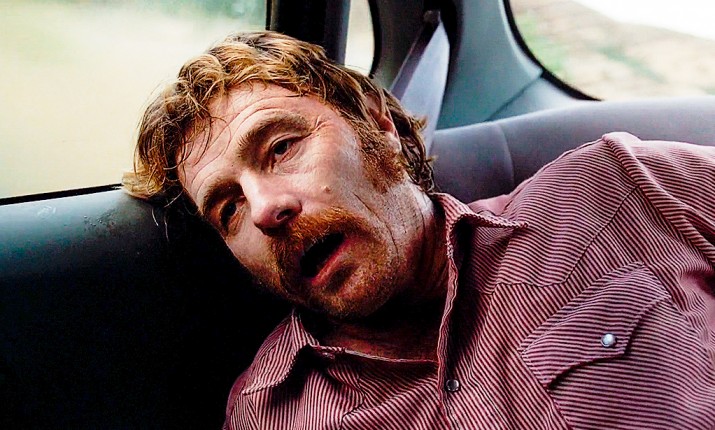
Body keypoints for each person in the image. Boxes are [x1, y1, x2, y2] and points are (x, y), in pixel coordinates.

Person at [125, 31, 715, 429]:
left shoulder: (619, 186)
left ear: (378, 125)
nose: (263, 210)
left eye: (281, 147)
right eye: (228, 209)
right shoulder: (269, 413)